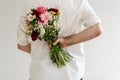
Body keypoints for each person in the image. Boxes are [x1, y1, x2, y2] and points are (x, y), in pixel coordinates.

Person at [17, 0, 103, 80]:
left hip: (41, 74)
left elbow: (21, 45)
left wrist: (40, 52)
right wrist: (66, 41)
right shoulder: (78, 2)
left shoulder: (31, 2)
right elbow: (97, 29)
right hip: (72, 73)